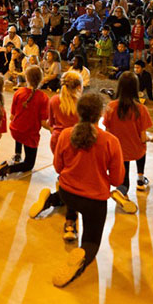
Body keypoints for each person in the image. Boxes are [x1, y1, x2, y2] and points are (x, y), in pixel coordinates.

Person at [51, 92, 125, 288]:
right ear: (100, 114)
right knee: (92, 243)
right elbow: (118, 179)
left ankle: (66, 218)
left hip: (68, 194)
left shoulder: (66, 134)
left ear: (78, 111)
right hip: (94, 200)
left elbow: (58, 167)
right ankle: (83, 254)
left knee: (71, 199)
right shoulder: (110, 141)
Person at [28, 71, 83, 222]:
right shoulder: (82, 103)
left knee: (65, 171)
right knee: (75, 178)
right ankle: (55, 201)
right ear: (79, 86)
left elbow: (50, 124)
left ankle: (53, 198)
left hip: (57, 140)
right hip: (76, 141)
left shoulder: (54, 100)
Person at [104, 72, 153, 214]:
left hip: (118, 151)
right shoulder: (141, 109)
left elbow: (107, 132)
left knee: (124, 179)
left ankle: (121, 190)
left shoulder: (111, 106)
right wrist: (151, 139)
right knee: (143, 149)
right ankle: (140, 178)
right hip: (136, 149)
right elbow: (142, 137)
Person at [0, 65, 50, 180]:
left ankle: (18, 153)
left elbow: (12, 116)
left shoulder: (19, 92)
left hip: (15, 130)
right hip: (29, 134)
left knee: (20, 130)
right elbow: (43, 123)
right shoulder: (43, 97)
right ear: (41, 79)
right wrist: (53, 129)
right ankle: (7, 169)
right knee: (29, 165)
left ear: (27, 79)